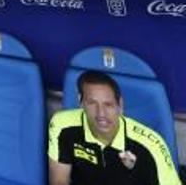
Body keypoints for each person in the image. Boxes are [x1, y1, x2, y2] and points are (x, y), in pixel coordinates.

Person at [48, 70, 182, 185]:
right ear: (80, 102)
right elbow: (59, 181)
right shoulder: (63, 125)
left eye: (108, 105)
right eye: (92, 103)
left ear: (120, 105)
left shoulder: (151, 145)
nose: (101, 114)